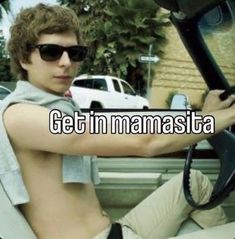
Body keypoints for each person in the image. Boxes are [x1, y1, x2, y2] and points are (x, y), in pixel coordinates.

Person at [0, 3, 235, 239]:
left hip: (117, 231)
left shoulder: (59, 108)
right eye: (50, 52)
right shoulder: (21, 116)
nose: (66, 63)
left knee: (196, 181)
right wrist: (221, 118)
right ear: (23, 58)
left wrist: (206, 118)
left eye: (75, 53)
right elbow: (144, 139)